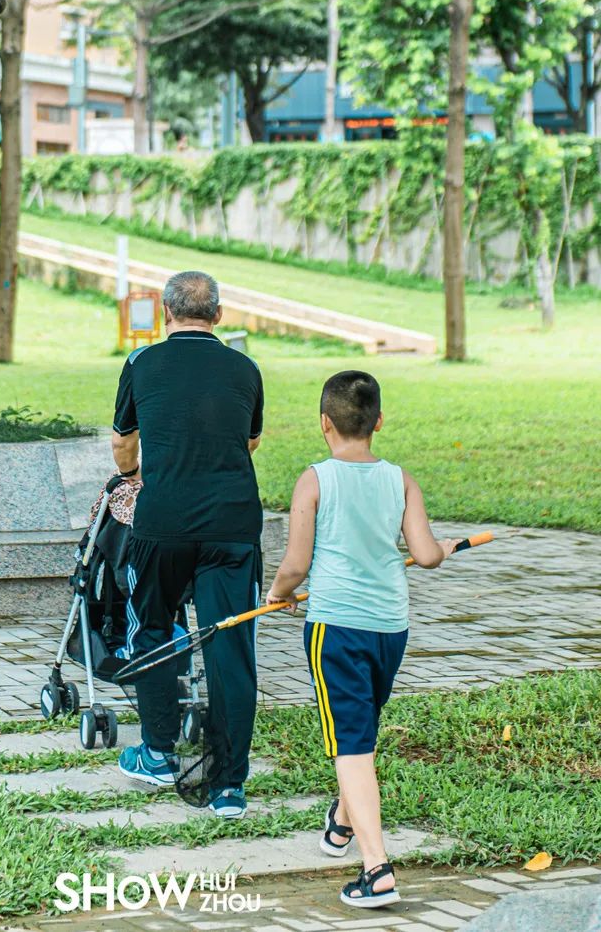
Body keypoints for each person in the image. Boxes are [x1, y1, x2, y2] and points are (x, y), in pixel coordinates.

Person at [265, 370, 461, 909]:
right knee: (362, 729)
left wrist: (278, 593)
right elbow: (424, 556)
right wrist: (441, 547)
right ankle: (341, 823)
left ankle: (376, 870)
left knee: (351, 744)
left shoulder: (315, 480)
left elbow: (296, 563)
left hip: (336, 627)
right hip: (389, 628)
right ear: (378, 422)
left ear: (324, 424)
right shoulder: (400, 479)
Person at [111, 270, 264, 819]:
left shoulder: (141, 364)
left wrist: (132, 477)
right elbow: (249, 439)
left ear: (166, 315)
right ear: (218, 316)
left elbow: (124, 438)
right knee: (231, 646)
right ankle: (227, 786)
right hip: (233, 525)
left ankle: (156, 752)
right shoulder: (245, 368)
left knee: (152, 627)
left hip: (163, 522)